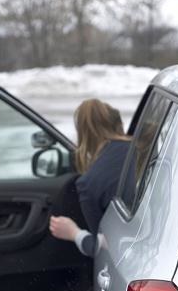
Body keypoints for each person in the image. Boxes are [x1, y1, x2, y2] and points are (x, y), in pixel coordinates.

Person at [49, 99, 130, 257]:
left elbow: (102, 247)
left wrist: (73, 233)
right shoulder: (146, 151)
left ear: (83, 133)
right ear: (118, 124)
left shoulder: (88, 183)